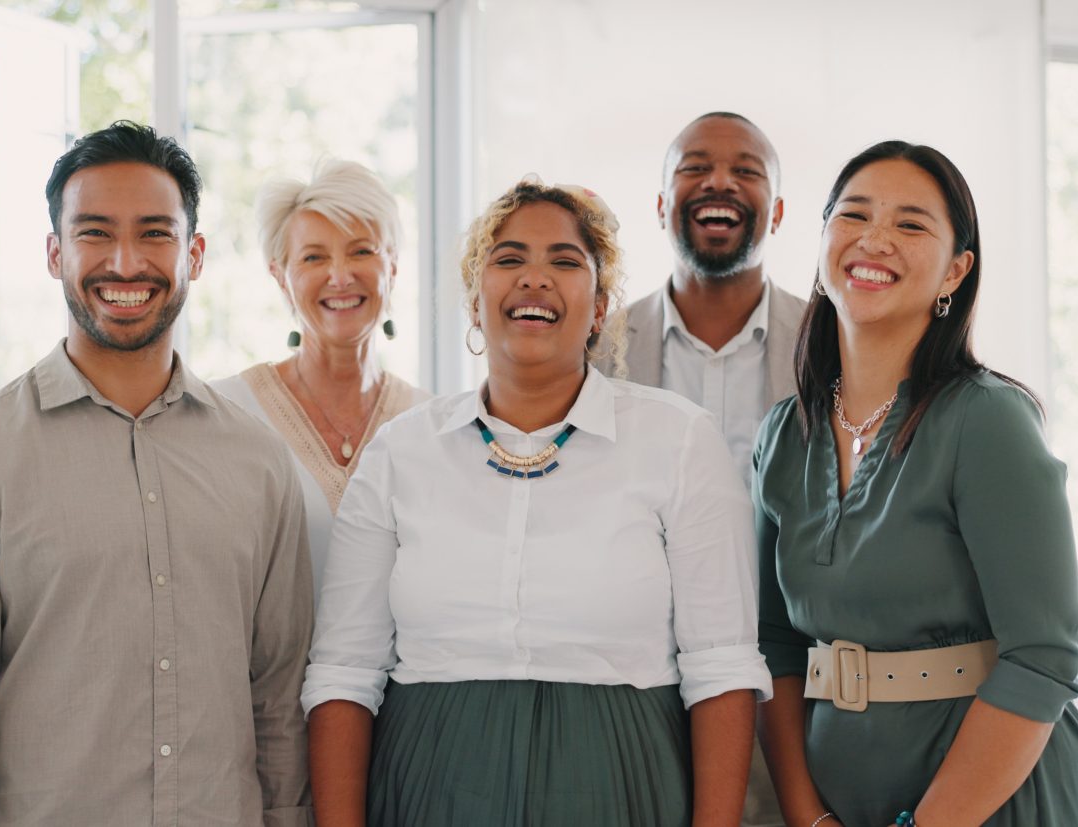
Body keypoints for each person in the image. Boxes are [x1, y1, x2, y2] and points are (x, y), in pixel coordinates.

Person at [302, 178, 772, 826]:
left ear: (601, 303)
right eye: (509, 258)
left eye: (565, 261)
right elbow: (342, 674)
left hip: (623, 786)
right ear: (474, 299)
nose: (535, 278)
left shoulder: (679, 440)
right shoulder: (400, 453)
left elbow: (722, 669)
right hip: (429, 786)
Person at [0, 121, 315, 825]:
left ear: (195, 254)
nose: (126, 262)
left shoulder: (260, 462)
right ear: (56, 253)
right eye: (94, 232)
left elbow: (278, 706)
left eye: (155, 233)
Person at [754, 141, 1078, 826]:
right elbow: (774, 646)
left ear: (955, 271)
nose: (875, 239)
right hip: (839, 808)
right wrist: (807, 815)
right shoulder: (783, 435)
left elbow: (1044, 656)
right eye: (853, 216)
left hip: (996, 803)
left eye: (911, 224)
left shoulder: (987, 419)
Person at [595, 110, 803, 827]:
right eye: (694, 166)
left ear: (776, 208)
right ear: (660, 203)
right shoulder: (593, 349)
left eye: (747, 169)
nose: (720, 181)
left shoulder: (833, 346)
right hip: (638, 694)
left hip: (795, 700)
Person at [214, 160, 428, 593]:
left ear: (393, 265)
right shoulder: (226, 415)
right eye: (314, 257)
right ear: (280, 275)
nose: (340, 276)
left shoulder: (430, 422)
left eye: (362, 251)